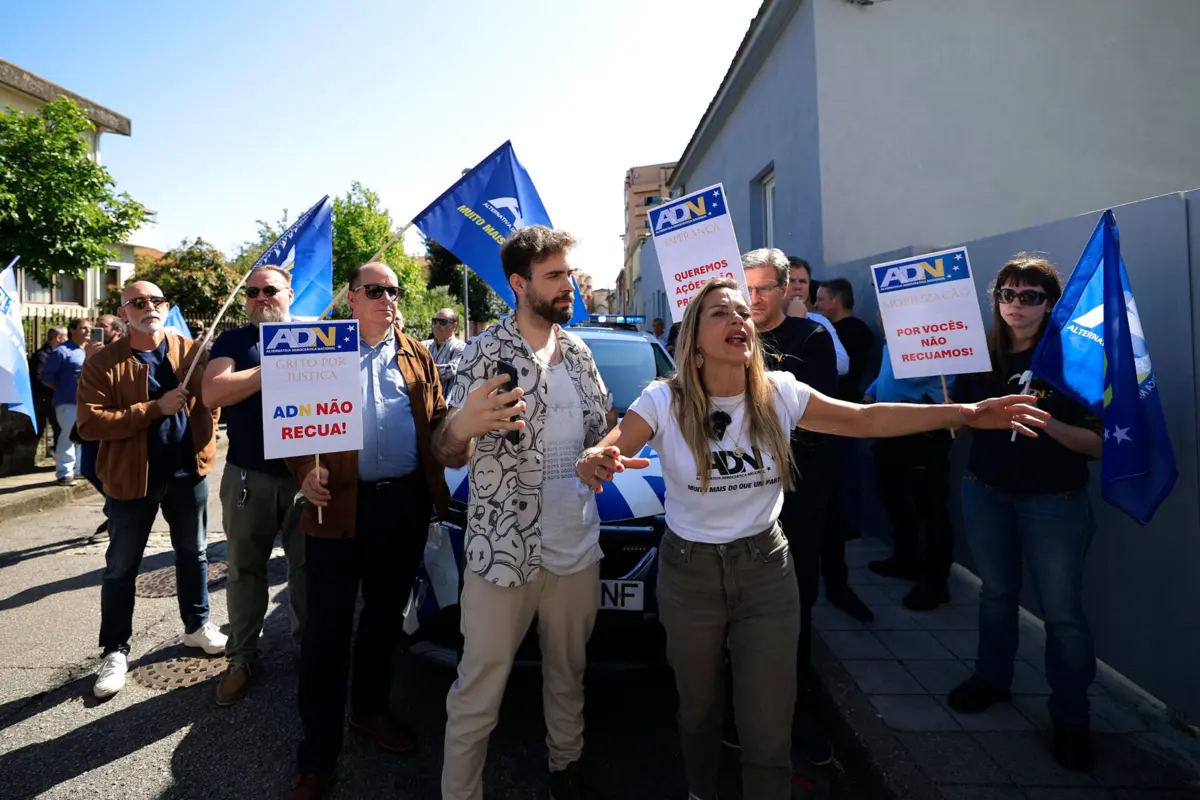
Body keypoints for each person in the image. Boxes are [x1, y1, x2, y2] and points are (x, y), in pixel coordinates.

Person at [575, 276, 1046, 800]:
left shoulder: (781, 391)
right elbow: (618, 441)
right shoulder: (664, 398)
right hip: (691, 573)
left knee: (768, 718)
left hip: (766, 569)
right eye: (719, 313)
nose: (738, 319)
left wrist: (965, 413)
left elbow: (865, 419)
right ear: (693, 335)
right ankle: (701, 791)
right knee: (700, 708)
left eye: (743, 313)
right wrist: (600, 457)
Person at [436, 225, 619, 800]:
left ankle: (567, 767)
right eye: (555, 276)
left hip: (576, 550)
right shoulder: (486, 351)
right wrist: (462, 425)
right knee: (478, 690)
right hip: (504, 553)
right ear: (519, 284)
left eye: (568, 274)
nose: (569, 286)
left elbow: (602, 429)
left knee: (568, 678)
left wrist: (607, 452)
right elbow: (448, 447)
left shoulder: (582, 350)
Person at [284, 262, 450, 800]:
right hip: (336, 509)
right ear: (350, 298)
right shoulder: (318, 349)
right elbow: (289, 422)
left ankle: (370, 711)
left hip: (401, 505)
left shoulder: (417, 353)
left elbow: (440, 419)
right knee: (328, 634)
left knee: (383, 620)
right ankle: (317, 756)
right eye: (375, 290)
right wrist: (303, 471)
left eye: (394, 290)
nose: (388, 298)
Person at [947, 255, 1103, 772]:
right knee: (995, 594)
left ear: (1050, 304)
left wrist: (1044, 421)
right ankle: (992, 679)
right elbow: (963, 428)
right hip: (986, 490)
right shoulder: (978, 357)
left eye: (1030, 296)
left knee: (1063, 616)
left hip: (1053, 502)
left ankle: (1071, 719)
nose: (1016, 305)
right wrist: (951, 409)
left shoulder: (1072, 359)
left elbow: (1100, 446)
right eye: (1008, 295)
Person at [77, 283, 225, 700]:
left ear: (167, 307)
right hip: (130, 480)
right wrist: (153, 409)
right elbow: (90, 424)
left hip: (186, 474)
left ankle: (197, 626)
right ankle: (114, 651)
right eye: (137, 303)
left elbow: (212, 399)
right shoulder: (103, 362)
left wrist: (206, 432)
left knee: (194, 555)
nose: (148, 308)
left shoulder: (190, 350)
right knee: (122, 567)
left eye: (156, 301)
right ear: (124, 312)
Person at [736, 248, 839, 766]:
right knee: (740, 611)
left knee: (794, 610)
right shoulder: (727, 335)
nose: (754, 299)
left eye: (765, 289)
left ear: (787, 290)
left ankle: (797, 714)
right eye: (746, 288)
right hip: (736, 502)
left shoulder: (810, 340)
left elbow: (818, 423)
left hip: (795, 499)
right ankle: (741, 714)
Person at [202, 266, 307, 707]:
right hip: (249, 478)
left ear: (290, 294)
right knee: (245, 571)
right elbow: (213, 392)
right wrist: (272, 367)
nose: (261, 297)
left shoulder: (315, 337)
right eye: (253, 292)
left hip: (306, 480)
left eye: (270, 290)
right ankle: (241, 657)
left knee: (308, 573)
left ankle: (311, 656)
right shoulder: (233, 342)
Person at [864, 311, 957, 610]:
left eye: (887, 311)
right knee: (893, 497)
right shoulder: (892, 342)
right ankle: (906, 559)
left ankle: (935, 582)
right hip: (891, 430)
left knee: (929, 508)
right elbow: (887, 375)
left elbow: (913, 373)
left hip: (923, 433)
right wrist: (872, 392)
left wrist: (896, 336)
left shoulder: (931, 337)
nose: (881, 317)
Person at [813, 277, 876, 621]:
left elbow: (841, 366)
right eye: (788, 282)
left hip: (832, 432)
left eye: (801, 284)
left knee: (833, 513)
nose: (794, 289)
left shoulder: (820, 326)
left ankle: (838, 586)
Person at [79, 315, 125, 542]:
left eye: (101, 326)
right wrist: (89, 360)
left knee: (111, 471)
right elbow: (85, 384)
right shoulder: (93, 352)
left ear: (116, 330)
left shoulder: (125, 351)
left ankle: (115, 517)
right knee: (87, 467)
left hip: (115, 420)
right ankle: (114, 511)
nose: (95, 329)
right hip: (93, 421)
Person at [41, 317, 93, 486]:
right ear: (72, 330)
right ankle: (64, 473)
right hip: (68, 402)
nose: (88, 331)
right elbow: (46, 378)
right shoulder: (61, 352)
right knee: (68, 436)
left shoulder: (88, 351)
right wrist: (65, 389)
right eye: (84, 328)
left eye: (89, 328)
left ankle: (79, 470)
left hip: (87, 402)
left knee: (84, 435)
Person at [784, 257, 849, 377]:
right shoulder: (765, 319)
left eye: (803, 281)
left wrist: (800, 324)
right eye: (791, 281)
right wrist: (793, 323)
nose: (798, 287)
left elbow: (842, 365)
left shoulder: (819, 321)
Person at [29, 327, 66, 451]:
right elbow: (41, 379)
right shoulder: (42, 356)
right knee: (56, 428)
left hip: (55, 398)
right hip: (46, 399)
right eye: (65, 337)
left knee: (60, 429)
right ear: (58, 338)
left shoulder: (58, 354)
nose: (67, 340)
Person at [422, 307, 466, 388]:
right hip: (424, 398)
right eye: (435, 321)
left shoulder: (461, 347)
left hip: (446, 399)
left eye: (442, 322)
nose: (437, 325)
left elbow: (452, 370)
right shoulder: (423, 345)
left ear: (454, 326)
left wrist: (423, 369)